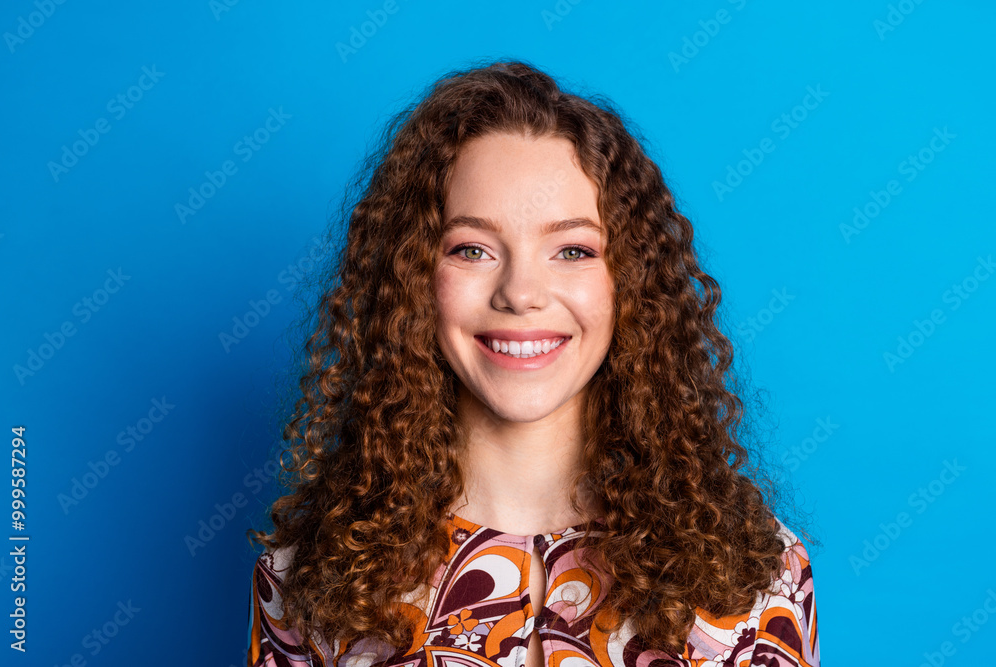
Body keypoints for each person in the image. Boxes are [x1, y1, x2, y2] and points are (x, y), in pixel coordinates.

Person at [245, 59, 820, 667]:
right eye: (472, 249)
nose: (520, 292)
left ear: (629, 281)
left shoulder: (757, 579)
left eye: (572, 249)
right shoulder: (306, 581)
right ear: (413, 277)